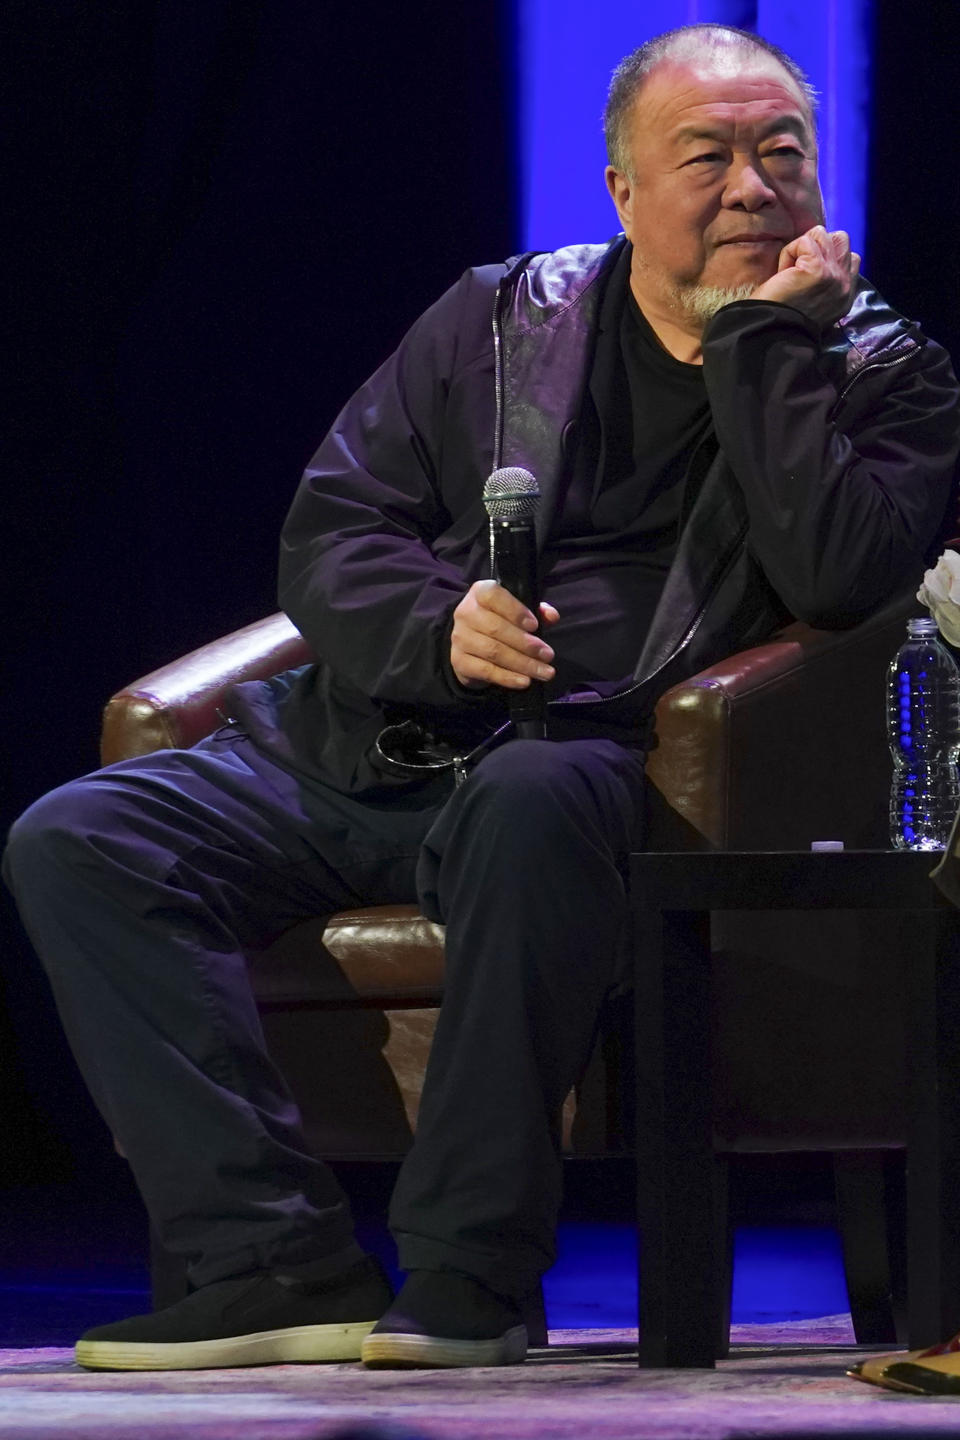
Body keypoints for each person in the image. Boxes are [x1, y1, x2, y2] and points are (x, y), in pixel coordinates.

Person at [5, 22, 960, 1373]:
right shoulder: (498, 318)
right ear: (625, 192)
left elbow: (844, 575)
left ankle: (470, 1280)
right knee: (81, 839)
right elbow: (339, 528)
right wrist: (436, 629)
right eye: (709, 156)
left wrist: (760, 348)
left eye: (783, 153)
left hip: (595, 767)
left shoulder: (886, 373)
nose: (753, 186)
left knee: (530, 795)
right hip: (371, 737)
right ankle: (268, 1263)